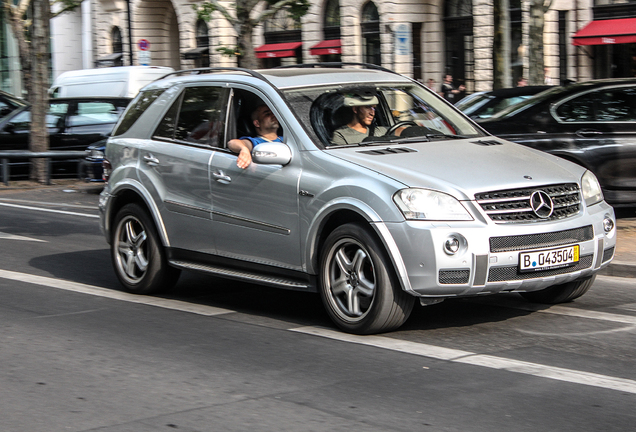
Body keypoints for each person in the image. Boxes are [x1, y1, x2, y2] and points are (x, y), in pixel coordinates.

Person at [227, 104, 282, 169]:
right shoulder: (257, 142)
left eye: (274, 113)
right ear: (257, 123)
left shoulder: (287, 138)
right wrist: (244, 149)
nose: (273, 116)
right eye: (267, 114)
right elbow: (232, 143)